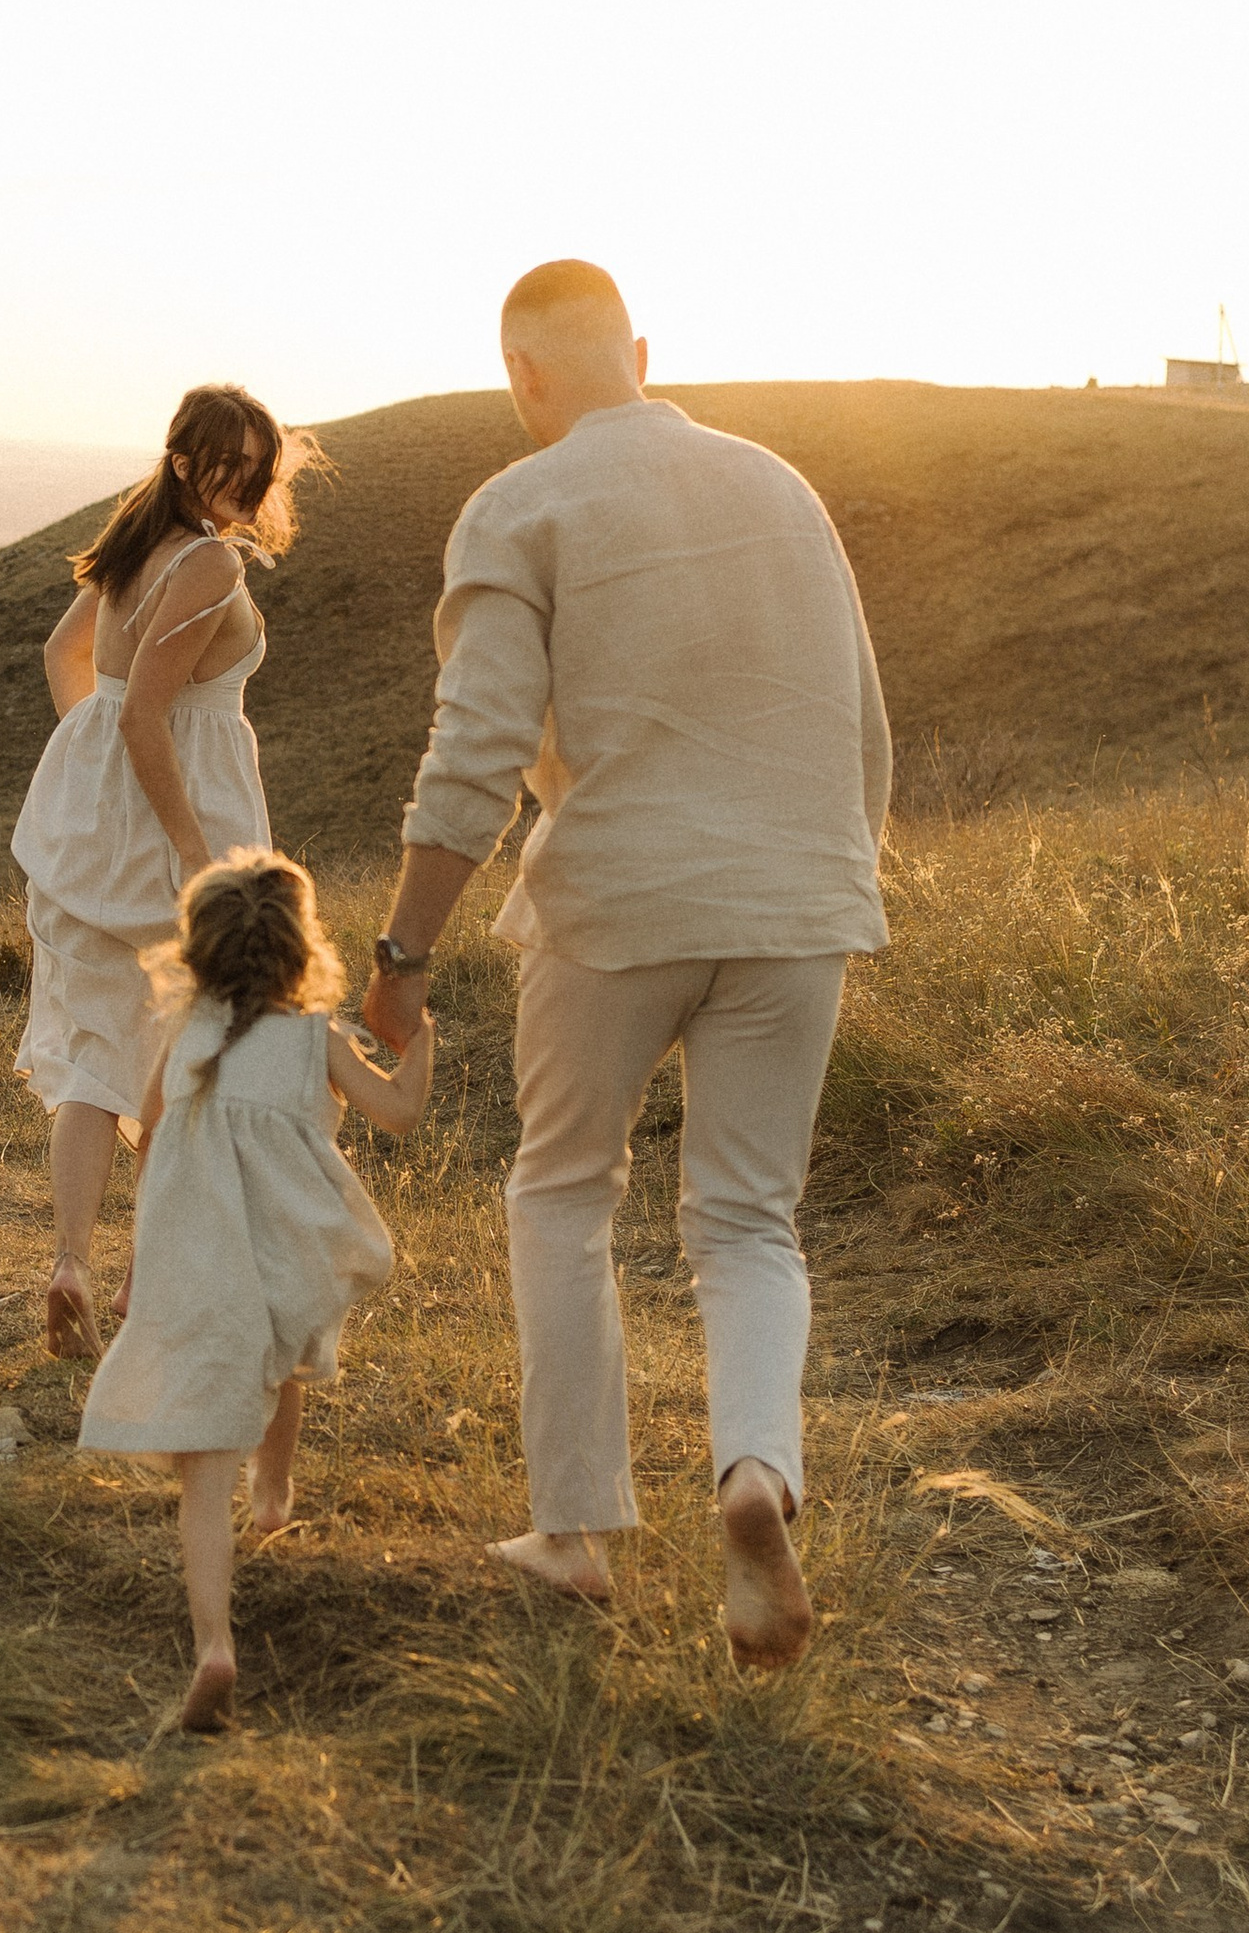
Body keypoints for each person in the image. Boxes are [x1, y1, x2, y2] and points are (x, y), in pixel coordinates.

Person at [359, 261, 890, 1670]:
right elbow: (862, 710)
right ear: (641, 352)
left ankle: (575, 1528)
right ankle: (756, 1476)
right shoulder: (781, 484)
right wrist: (837, 868)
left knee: (561, 1185)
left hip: (614, 901)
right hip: (798, 895)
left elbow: (473, 751)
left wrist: (404, 949)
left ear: (522, 374)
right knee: (748, 1221)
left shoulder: (521, 503)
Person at [79, 850, 431, 1733]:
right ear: (300, 949)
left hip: (199, 1258)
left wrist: (137, 1261)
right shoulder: (317, 1037)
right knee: (281, 1359)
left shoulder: (188, 1034)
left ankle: (214, 1646)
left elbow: (154, 1130)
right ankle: (274, 1499)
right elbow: (400, 1114)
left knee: (205, 1463)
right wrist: (420, 1041)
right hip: (285, 1252)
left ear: (197, 952)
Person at [13, 384, 322, 1358]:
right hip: (174, 827)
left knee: (100, 1057)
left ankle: (72, 1260)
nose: (246, 482)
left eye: (257, 467)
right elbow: (148, 714)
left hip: (94, 826)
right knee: (180, 1057)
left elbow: (69, 656)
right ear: (184, 460)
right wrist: (198, 862)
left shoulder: (139, 539)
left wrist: (88, 753)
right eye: (227, 463)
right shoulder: (204, 564)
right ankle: (138, 1278)